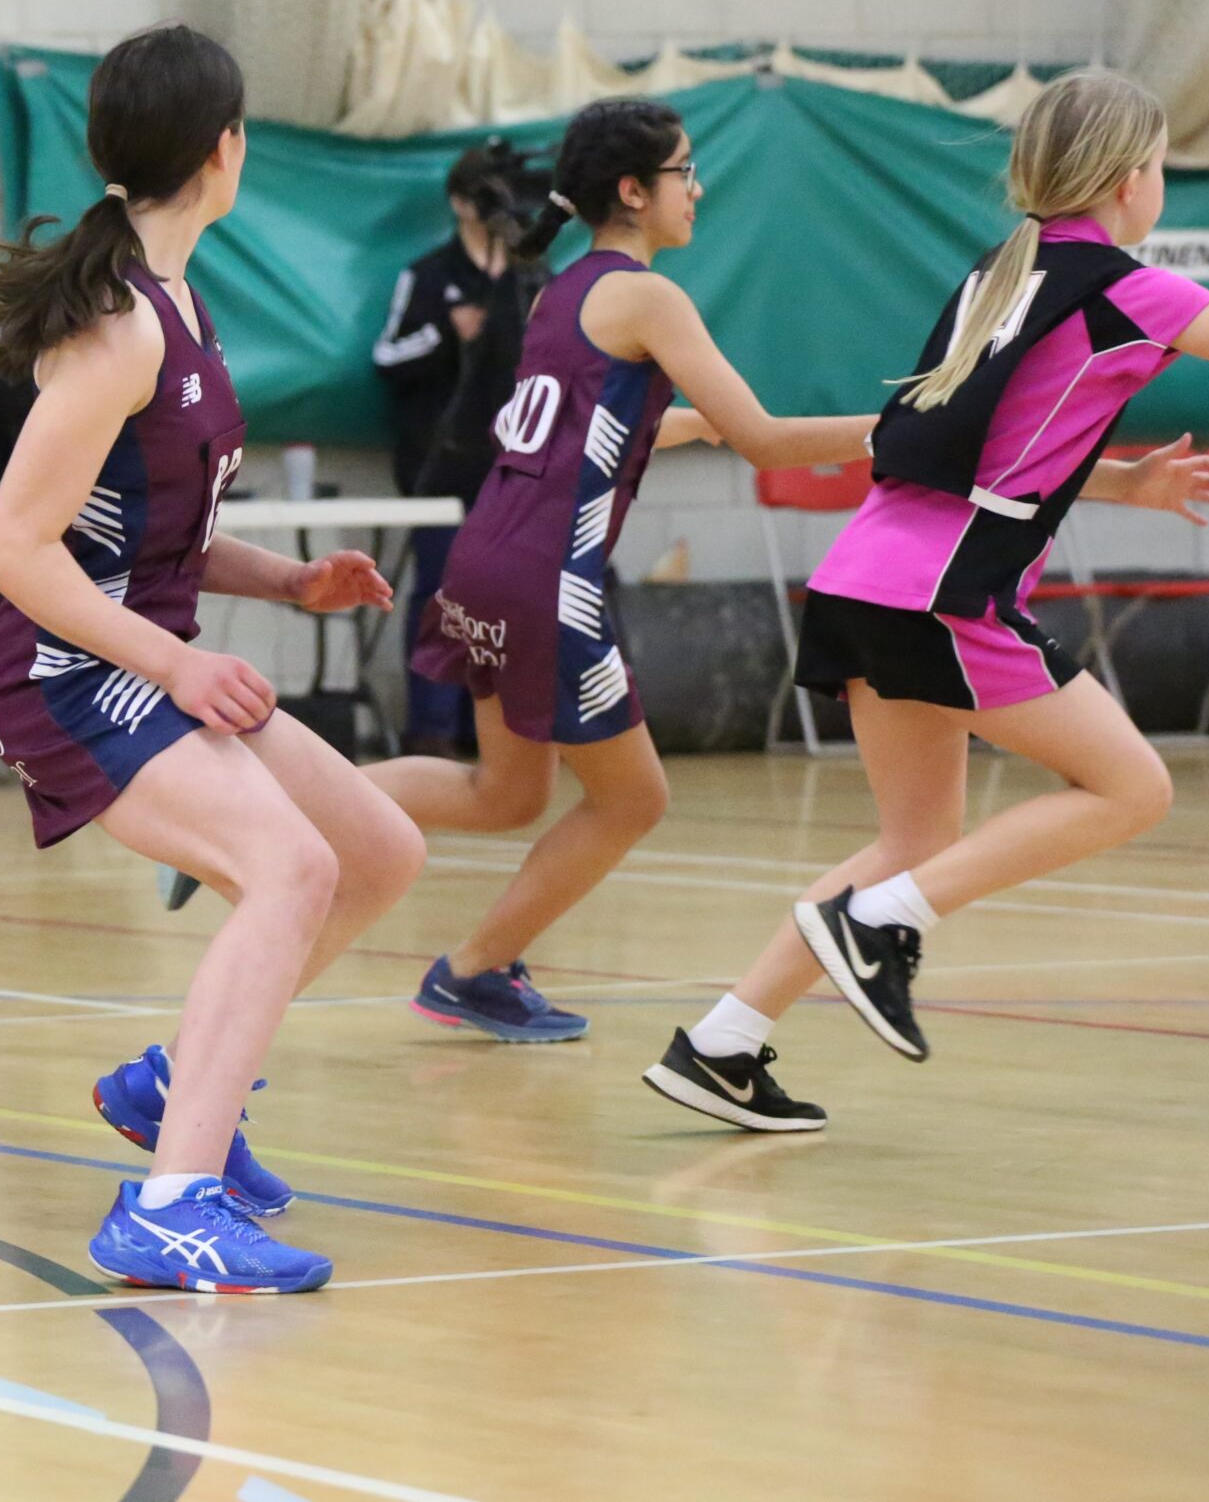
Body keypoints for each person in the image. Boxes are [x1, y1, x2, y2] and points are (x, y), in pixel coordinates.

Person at [651, 68, 1209, 1132]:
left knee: (912, 842)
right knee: (1131, 788)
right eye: (1161, 163)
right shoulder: (1124, 286)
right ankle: (881, 924)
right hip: (945, 590)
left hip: (866, 575)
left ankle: (721, 1043)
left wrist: (1127, 482)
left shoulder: (998, 272)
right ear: (1131, 180)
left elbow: (975, 437)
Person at [0, 24, 424, 1295]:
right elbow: (12, 548)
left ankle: (173, 1084)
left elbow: (154, 532)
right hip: (67, 675)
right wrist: (171, 668)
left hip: (136, 653)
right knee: (292, 867)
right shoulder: (118, 326)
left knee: (378, 852)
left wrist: (287, 580)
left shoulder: (176, 297)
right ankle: (170, 1208)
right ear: (225, 149)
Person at [365, 99, 875, 1048]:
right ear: (635, 191)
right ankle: (472, 969)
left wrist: (697, 422)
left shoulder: (562, 289)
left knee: (506, 796)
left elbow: (593, 427)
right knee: (633, 798)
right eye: (687, 171)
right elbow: (767, 442)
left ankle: (283, 804)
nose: (699, 189)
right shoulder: (648, 298)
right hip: (545, 580)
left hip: (487, 560)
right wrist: (902, 430)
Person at [372, 147, 513, 755]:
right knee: (442, 592)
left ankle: (500, 733)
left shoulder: (531, 275)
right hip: (443, 466)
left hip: (514, 467)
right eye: (483, 193)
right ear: (458, 202)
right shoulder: (428, 275)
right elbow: (386, 356)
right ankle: (432, 729)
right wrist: (444, 334)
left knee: (510, 597)